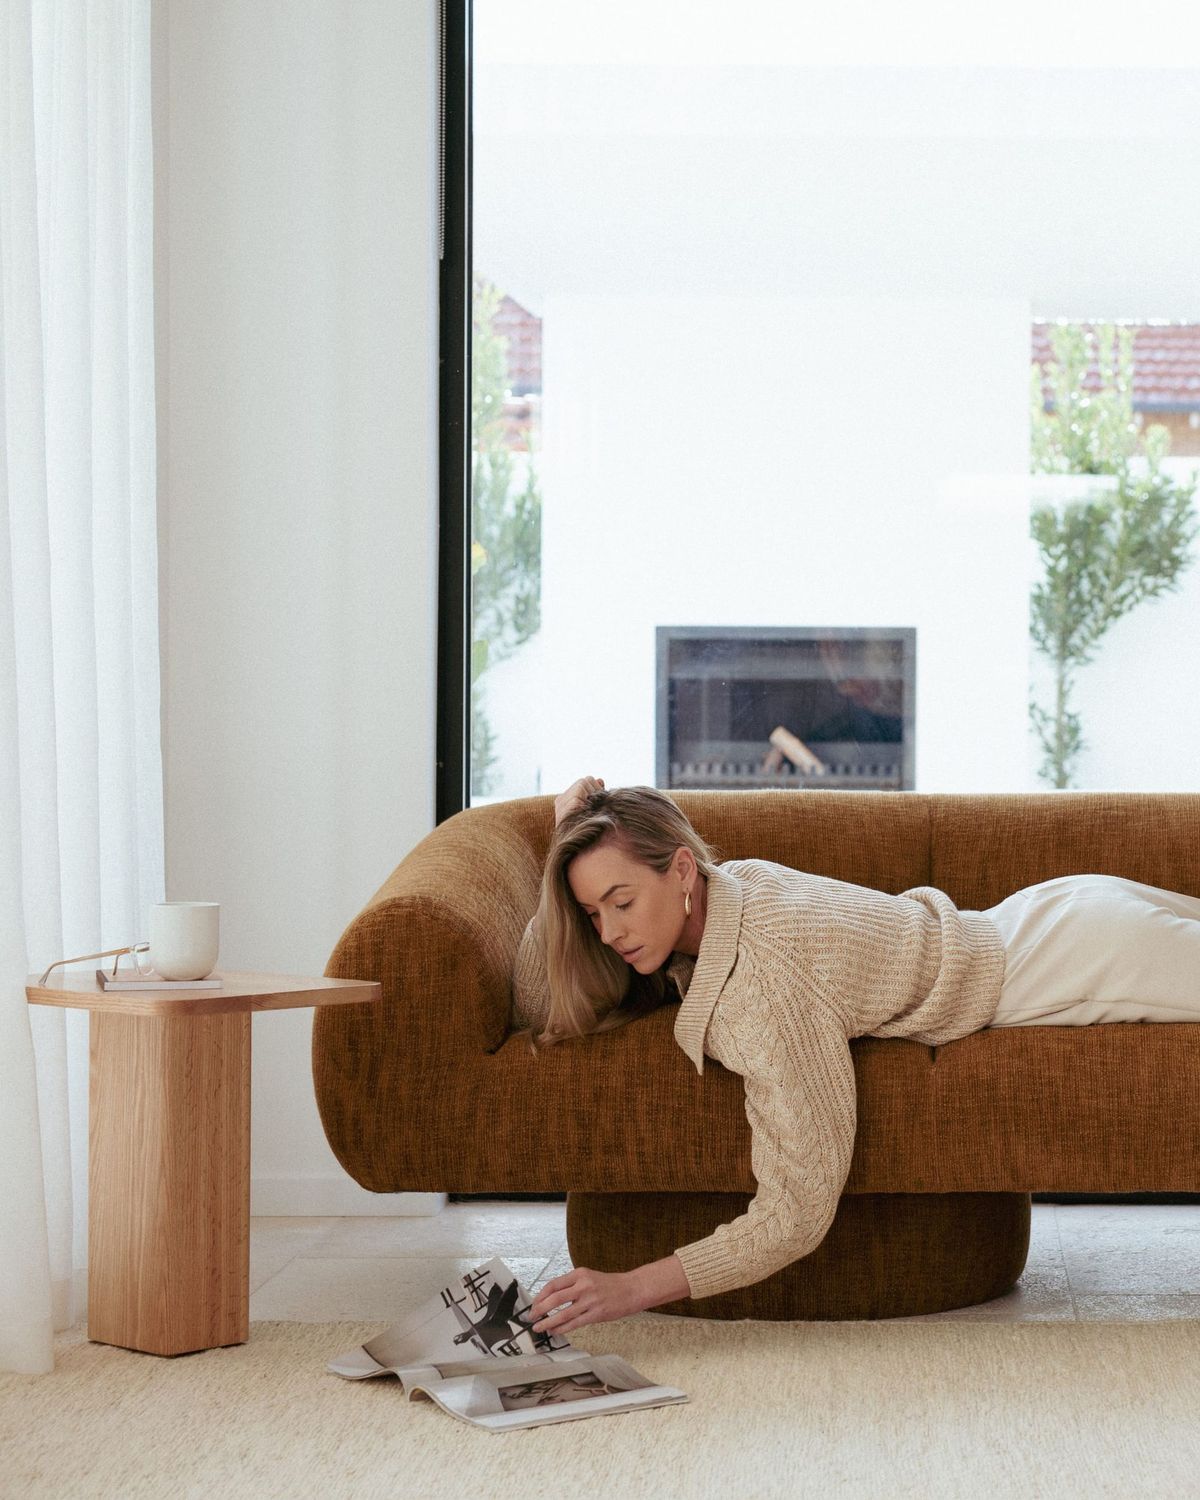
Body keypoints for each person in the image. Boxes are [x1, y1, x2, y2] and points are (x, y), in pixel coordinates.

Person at [520, 776, 1200, 1338]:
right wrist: (567, 838)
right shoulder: (731, 889)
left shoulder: (766, 988)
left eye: (621, 902)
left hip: (1076, 960)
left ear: (681, 871)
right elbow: (536, 992)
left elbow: (796, 1213)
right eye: (593, 915)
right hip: (1057, 912)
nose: (609, 933)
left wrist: (631, 1287)